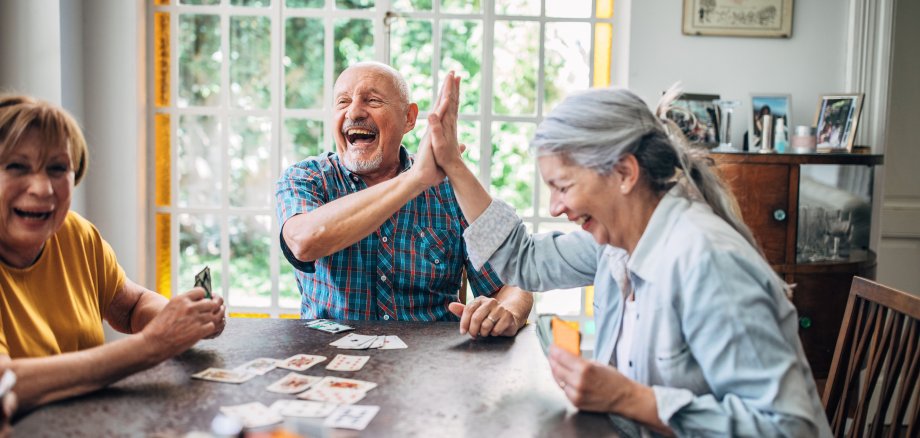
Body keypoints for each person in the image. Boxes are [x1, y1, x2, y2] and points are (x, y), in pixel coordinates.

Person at [422, 82, 832, 436]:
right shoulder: (617, 242)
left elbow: (788, 428)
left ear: (624, 173)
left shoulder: (708, 263)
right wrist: (454, 166)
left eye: (563, 186)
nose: (555, 207)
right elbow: (524, 259)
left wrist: (627, 397)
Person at [0, 95, 226, 413]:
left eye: (57, 168)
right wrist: (152, 345)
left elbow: (131, 307)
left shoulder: (75, 233)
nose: (43, 188)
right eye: (17, 167)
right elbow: (7, 384)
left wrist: (180, 321)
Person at [275, 62, 532, 337]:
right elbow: (303, 242)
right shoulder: (306, 178)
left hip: (429, 364)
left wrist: (508, 312)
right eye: (343, 102)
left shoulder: (452, 191)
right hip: (328, 360)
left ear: (409, 118)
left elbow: (513, 282)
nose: (354, 111)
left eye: (372, 100)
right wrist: (415, 180)